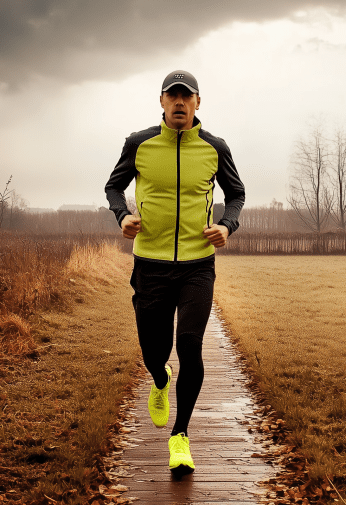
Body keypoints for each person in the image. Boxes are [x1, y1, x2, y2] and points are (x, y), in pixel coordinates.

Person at [104, 69, 245, 477]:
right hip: (150, 263)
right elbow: (113, 187)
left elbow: (236, 194)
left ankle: (180, 436)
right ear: (162, 102)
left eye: (188, 96)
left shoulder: (215, 148)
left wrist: (226, 225)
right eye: (173, 96)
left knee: (189, 342)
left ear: (198, 103)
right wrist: (122, 216)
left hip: (198, 266)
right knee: (154, 350)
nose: (180, 102)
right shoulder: (139, 144)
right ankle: (159, 377)